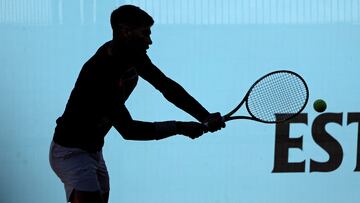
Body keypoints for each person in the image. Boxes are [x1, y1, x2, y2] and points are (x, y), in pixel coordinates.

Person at [49, 5, 225, 203]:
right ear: (125, 32)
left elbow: (166, 86)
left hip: (94, 151)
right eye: (145, 34)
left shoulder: (133, 55)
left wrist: (204, 116)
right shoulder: (101, 73)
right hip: (72, 154)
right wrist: (179, 127)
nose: (150, 41)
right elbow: (129, 130)